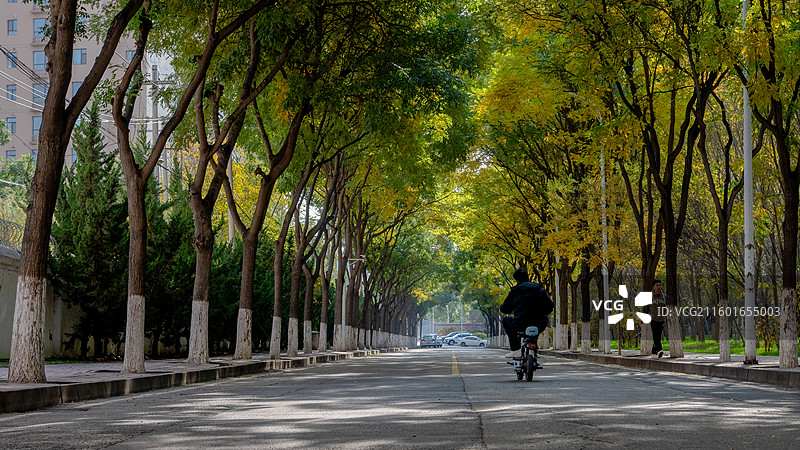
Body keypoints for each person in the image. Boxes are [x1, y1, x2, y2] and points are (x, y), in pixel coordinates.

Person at [500, 267, 551, 358]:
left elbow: (505, 308)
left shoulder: (515, 291)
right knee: (541, 319)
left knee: (506, 320)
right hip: (540, 323)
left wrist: (505, 308)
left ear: (517, 280)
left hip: (521, 323)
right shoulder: (539, 289)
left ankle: (516, 349)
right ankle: (534, 346)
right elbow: (550, 306)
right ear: (528, 278)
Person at [650, 279, 666, 358]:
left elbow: (667, 307)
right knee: (656, 336)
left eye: (659, 285)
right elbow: (646, 307)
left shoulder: (664, 297)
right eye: (657, 285)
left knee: (658, 336)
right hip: (653, 319)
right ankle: (660, 350)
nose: (658, 287)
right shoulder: (650, 297)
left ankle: (653, 352)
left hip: (661, 319)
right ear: (653, 287)